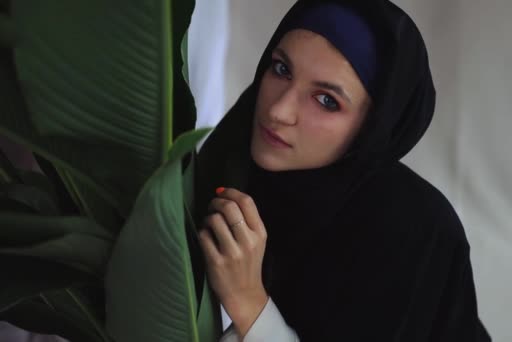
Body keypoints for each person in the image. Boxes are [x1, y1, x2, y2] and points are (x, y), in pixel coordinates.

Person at [194, 0, 492, 340]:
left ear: (372, 128)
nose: (279, 111)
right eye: (281, 69)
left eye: (326, 101)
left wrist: (248, 301)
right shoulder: (230, 166)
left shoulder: (411, 231)